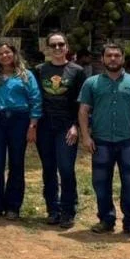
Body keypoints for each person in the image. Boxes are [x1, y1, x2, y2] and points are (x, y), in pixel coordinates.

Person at [79, 43, 130, 240]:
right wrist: (86, 136)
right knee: (100, 183)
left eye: (116, 55)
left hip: (127, 141)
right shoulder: (92, 83)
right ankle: (106, 220)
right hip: (101, 142)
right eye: (109, 55)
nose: (112, 59)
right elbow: (84, 110)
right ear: (102, 59)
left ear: (122, 58)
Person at [0, 43, 42, 220]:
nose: (4, 56)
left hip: (19, 120)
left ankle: (13, 207)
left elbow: (35, 100)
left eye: (8, 52)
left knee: (16, 162)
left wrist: (32, 126)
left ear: (14, 53)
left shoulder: (26, 75)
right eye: (0, 54)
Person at [33, 33, 84, 229]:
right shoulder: (39, 70)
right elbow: (35, 98)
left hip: (66, 127)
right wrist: (33, 125)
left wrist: (76, 125)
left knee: (66, 168)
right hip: (45, 126)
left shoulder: (77, 71)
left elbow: (82, 102)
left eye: (61, 44)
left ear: (67, 47)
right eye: (53, 45)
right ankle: (52, 209)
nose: (57, 48)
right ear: (47, 48)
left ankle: (68, 211)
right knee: (48, 168)